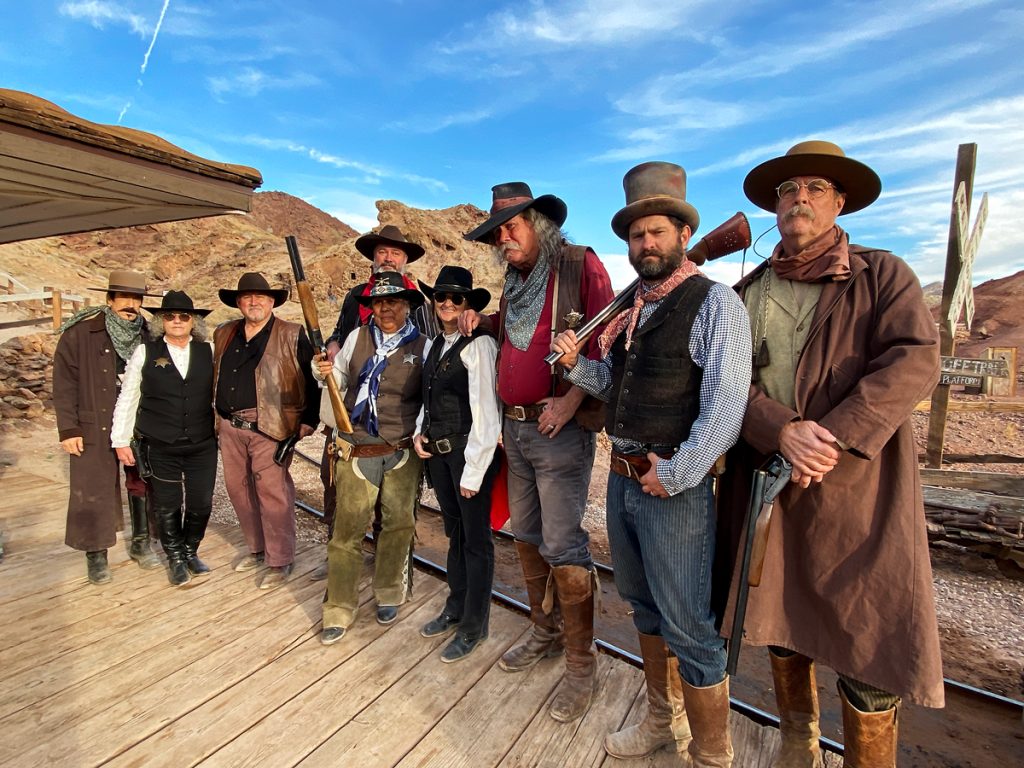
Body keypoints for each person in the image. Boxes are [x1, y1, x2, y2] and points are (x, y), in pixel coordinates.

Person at [720, 141, 944, 767]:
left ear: (840, 202)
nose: (799, 199)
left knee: (867, 644)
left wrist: (832, 436)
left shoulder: (882, 275)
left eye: (815, 188)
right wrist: (780, 430)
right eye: (788, 190)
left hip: (858, 490)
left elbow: (914, 359)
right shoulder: (746, 292)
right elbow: (729, 383)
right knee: (781, 622)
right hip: (772, 484)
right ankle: (799, 746)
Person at [552, 162, 751, 766]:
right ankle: (663, 722)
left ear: (684, 235)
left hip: (674, 493)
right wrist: (575, 367)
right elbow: (615, 387)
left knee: (689, 625)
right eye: (637, 235)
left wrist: (677, 473)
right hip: (622, 483)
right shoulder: (632, 308)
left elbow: (725, 407)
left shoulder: (715, 303)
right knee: (642, 608)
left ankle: (712, 755)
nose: (647, 244)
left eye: (658, 232)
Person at [461, 182, 615, 722]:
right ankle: (544, 631)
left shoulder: (578, 265)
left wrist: (571, 402)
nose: (504, 238)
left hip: (559, 432)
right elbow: (518, 334)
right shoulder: (514, 282)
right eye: (497, 233)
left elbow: (610, 343)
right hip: (518, 429)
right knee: (526, 534)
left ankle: (581, 663)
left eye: (513, 227)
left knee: (563, 543)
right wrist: (483, 322)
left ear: (539, 225)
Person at [312, 225, 437, 581]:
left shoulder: (418, 300)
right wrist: (332, 347)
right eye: (382, 251)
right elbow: (341, 333)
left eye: (395, 253)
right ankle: (340, 560)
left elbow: (428, 348)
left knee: (396, 507)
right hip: (351, 414)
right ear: (373, 257)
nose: (388, 258)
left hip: (398, 419)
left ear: (405, 259)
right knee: (337, 491)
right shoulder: (356, 295)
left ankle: (390, 569)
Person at [317, 272, 430, 645]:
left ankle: (388, 593)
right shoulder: (356, 338)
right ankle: (338, 608)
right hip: (357, 448)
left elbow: (428, 400)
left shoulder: (425, 346)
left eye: (393, 301)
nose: (386, 308)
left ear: (407, 306)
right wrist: (323, 373)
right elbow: (338, 383)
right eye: (379, 302)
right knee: (347, 531)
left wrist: (420, 434)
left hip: (401, 451)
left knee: (398, 525)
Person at [412, 266, 501, 663]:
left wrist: (475, 470)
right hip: (440, 456)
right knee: (456, 536)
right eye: (440, 296)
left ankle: (474, 625)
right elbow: (428, 396)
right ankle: (455, 606)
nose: (447, 303)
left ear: (467, 304)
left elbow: (487, 411)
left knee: (477, 542)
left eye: (456, 297)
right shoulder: (435, 344)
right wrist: (420, 431)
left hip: (468, 457)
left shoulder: (479, 345)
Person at [53, 269, 160, 584]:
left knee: (142, 480)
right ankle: (96, 554)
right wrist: (68, 429)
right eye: (124, 297)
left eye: (136, 298)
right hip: (93, 422)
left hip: (138, 422)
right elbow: (63, 383)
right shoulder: (79, 334)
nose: (130, 304)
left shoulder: (151, 336)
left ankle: (141, 543)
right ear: (110, 299)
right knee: (94, 487)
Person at [213, 272, 319, 589]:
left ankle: (279, 560)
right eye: (247, 297)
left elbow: (312, 378)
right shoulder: (224, 332)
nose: (254, 302)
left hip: (270, 426)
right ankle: (257, 549)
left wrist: (309, 420)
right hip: (229, 425)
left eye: (260, 296)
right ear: (238, 302)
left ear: (272, 301)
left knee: (273, 494)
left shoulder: (292, 333)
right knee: (238, 490)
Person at [111, 291, 216, 587]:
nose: (177, 321)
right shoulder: (145, 352)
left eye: (184, 316)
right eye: (170, 316)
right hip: (160, 443)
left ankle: (190, 550)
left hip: (201, 443)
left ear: (194, 321)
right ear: (161, 321)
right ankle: (175, 558)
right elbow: (129, 397)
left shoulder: (209, 351)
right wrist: (120, 439)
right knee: (168, 504)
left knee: (201, 502)